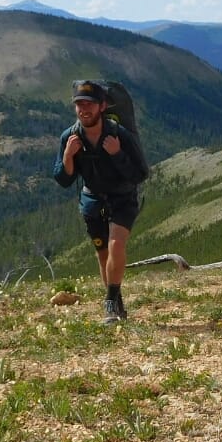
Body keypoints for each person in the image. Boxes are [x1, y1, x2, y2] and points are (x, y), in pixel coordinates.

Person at [52, 80, 149, 324]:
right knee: (103, 254)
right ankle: (117, 304)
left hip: (122, 199)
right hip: (92, 202)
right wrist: (67, 157)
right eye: (79, 105)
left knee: (116, 245)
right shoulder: (70, 138)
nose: (84, 109)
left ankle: (109, 304)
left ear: (102, 106)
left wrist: (117, 154)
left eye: (89, 104)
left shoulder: (119, 134)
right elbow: (63, 180)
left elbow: (140, 174)